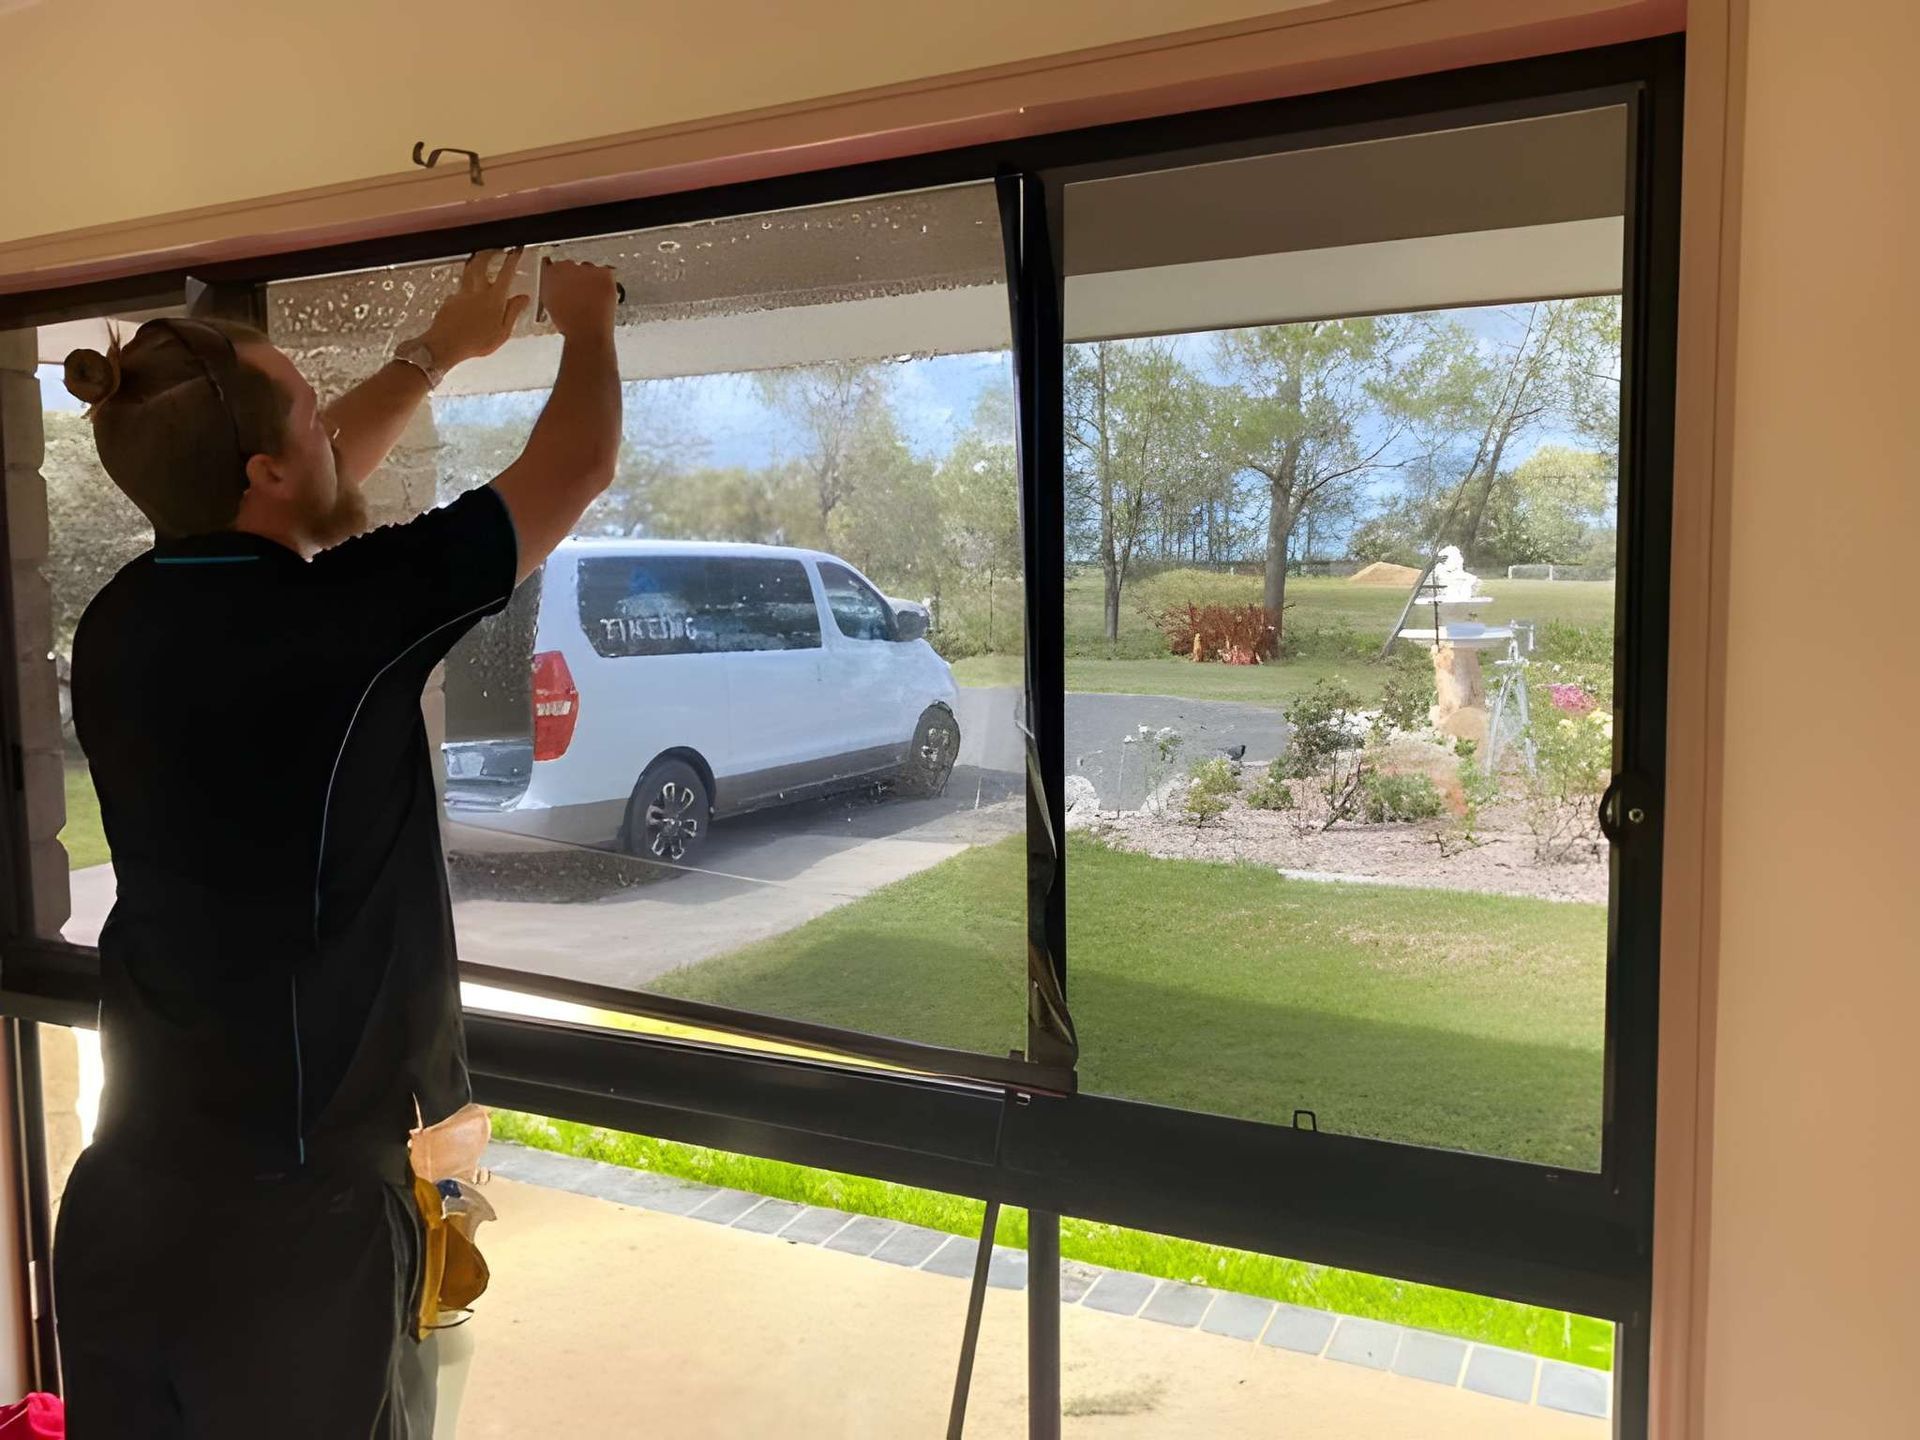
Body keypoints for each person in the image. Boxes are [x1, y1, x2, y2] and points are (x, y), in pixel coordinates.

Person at [50, 250, 623, 1438]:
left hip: (126, 1203)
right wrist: (587, 322)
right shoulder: (339, 624)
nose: (330, 424)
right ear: (264, 467)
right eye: (311, 408)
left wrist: (434, 354)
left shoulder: (120, 621)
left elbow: (290, 492)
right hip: (297, 1236)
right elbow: (572, 469)